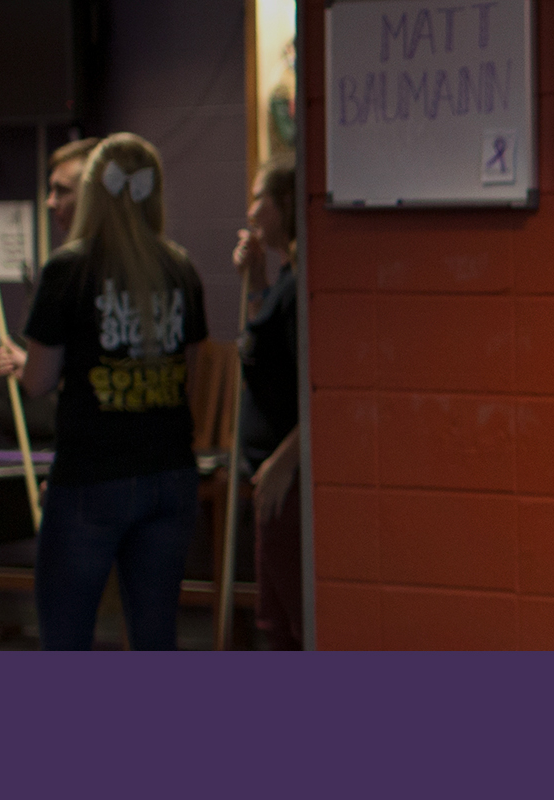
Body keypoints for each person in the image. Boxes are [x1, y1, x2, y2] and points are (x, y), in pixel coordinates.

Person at [0, 132, 209, 650]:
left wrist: (24, 366)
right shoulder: (180, 267)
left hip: (92, 477)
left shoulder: (68, 269)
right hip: (169, 475)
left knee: (66, 641)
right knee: (156, 638)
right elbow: (192, 379)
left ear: (93, 193)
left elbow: (41, 380)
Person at [232, 155, 304, 649]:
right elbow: (264, 349)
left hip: (288, 478)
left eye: (259, 197)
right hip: (267, 476)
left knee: (296, 621)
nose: (251, 208)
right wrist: (255, 279)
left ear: (284, 205)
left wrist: (285, 459)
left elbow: (318, 388)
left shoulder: (304, 285)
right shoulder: (282, 280)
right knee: (272, 624)